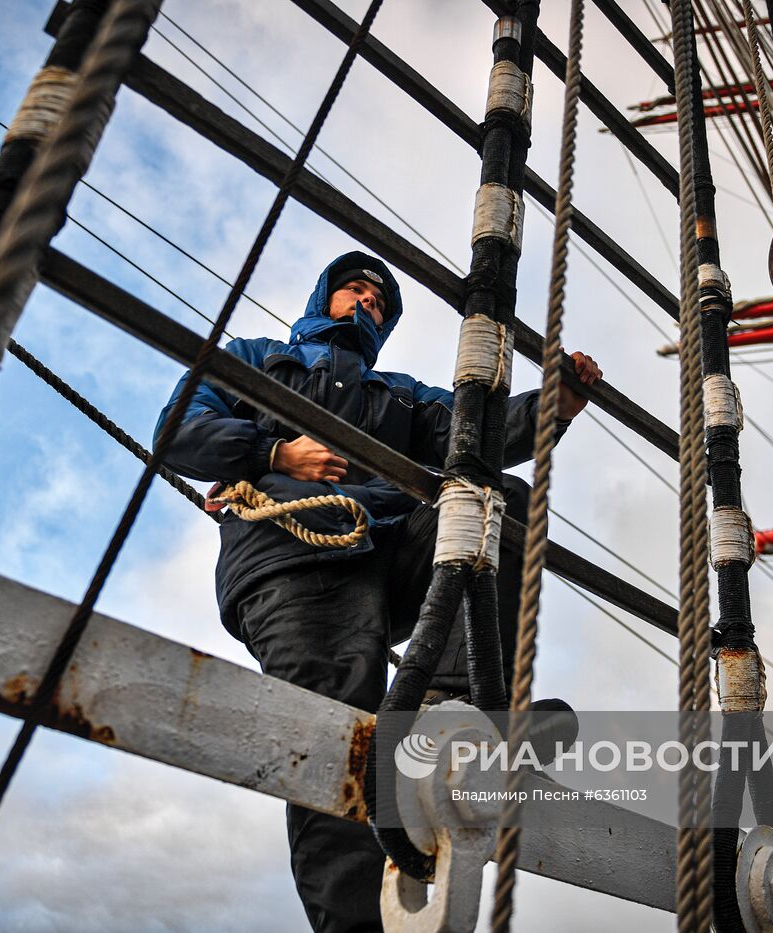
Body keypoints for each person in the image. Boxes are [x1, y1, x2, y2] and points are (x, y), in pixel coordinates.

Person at [155, 251, 600, 931]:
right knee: (334, 739)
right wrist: (274, 453)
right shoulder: (256, 357)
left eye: (378, 300)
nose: (365, 301)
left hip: (379, 550)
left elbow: (474, 431)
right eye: (353, 290)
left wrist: (552, 407)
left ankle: (455, 711)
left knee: (494, 500)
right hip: (286, 558)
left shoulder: (397, 395)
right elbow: (178, 428)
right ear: (321, 296)